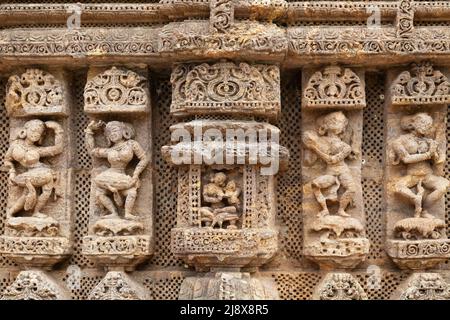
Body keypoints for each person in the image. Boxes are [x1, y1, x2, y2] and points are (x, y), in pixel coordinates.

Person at [85, 120, 148, 220]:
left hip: (122, 175)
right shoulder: (109, 150)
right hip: (109, 175)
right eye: (109, 133)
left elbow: (144, 158)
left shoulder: (131, 144)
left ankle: (127, 213)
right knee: (99, 193)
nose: (112, 134)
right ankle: (113, 212)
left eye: (115, 130)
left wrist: (136, 174)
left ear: (123, 131)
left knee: (132, 192)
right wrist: (89, 131)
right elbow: (92, 151)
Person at [390, 113, 449, 218]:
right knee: (398, 187)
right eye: (423, 123)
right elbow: (406, 159)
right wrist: (427, 154)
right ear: (413, 123)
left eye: (428, 125)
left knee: (444, 186)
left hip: (427, 174)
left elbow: (436, 161)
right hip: (413, 175)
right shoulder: (400, 141)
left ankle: (424, 209)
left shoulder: (428, 141)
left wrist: (434, 152)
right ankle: (415, 199)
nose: (425, 127)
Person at [4, 119, 63, 218]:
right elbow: (7, 160)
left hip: (41, 172)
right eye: (33, 130)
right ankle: (11, 212)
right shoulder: (15, 145)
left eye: (38, 133)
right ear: (25, 130)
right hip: (28, 175)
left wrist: (58, 129)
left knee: (43, 188)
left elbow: (58, 149)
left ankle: (35, 212)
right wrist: (12, 171)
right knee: (26, 193)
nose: (35, 134)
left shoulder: (37, 150)